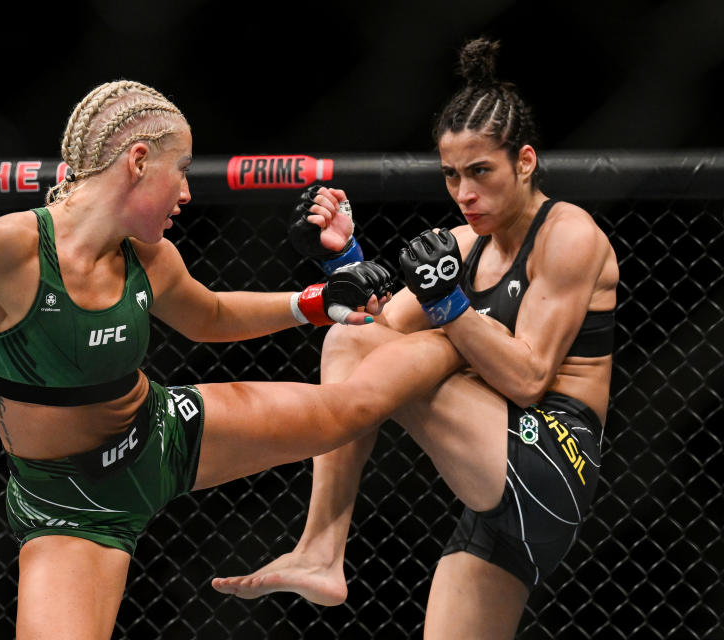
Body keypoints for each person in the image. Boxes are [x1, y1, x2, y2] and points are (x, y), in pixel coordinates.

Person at [0, 80, 470, 639]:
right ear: (138, 159)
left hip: (159, 434)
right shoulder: (8, 249)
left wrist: (315, 303)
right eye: (180, 171)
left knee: (347, 409)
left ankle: (461, 331)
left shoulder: (148, 254)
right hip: (67, 502)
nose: (187, 193)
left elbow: (207, 315)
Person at [212, 38, 619, 639]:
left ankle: (314, 531)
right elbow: (373, 338)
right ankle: (320, 551)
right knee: (355, 341)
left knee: (415, 344)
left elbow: (530, 381)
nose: (464, 193)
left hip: (550, 458)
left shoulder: (567, 234)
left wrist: (451, 308)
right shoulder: (461, 245)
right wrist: (345, 265)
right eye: (452, 175)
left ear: (525, 162)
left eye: (481, 172)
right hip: (492, 494)